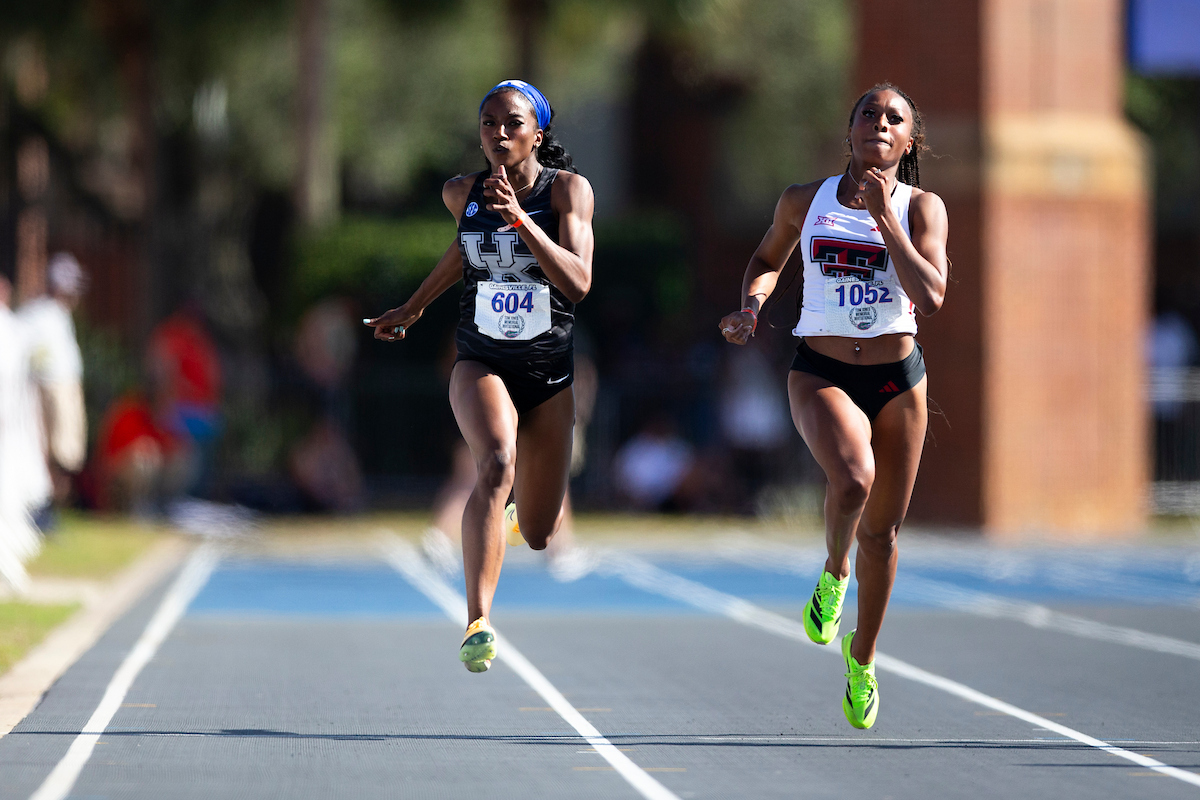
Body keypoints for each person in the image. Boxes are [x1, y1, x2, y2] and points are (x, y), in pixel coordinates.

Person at [720, 83, 948, 729]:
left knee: (886, 534)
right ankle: (832, 570)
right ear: (849, 132)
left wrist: (883, 219)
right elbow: (766, 258)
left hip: (898, 381)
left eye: (894, 117)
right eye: (868, 114)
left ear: (909, 143)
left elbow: (930, 297)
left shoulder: (922, 208)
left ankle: (864, 658)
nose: (880, 122)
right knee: (852, 479)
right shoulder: (805, 200)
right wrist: (752, 306)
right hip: (819, 371)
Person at [366, 79, 594, 673]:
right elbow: (462, 251)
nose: (498, 132)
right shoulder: (460, 192)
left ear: (536, 134)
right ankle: (478, 621)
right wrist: (414, 306)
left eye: (512, 123)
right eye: (488, 122)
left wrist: (520, 220)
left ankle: (516, 515)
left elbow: (578, 282)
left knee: (541, 533)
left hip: (548, 374)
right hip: (482, 360)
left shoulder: (568, 191)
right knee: (493, 461)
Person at [18, 253, 88, 516]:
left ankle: (51, 507)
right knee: (51, 449)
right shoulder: (39, 313)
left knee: (67, 452)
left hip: (65, 388)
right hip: (50, 389)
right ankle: (43, 507)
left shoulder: (59, 314)